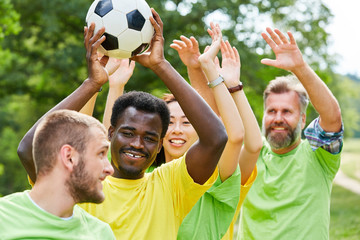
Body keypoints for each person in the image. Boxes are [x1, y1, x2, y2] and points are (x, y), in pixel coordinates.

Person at [17, 8, 227, 240]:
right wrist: (92, 83)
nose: (137, 144)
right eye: (128, 133)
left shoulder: (170, 185)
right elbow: (28, 149)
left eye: (149, 138)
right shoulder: (81, 181)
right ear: (111, 133)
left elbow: (216, 138)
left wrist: (161, 65)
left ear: (159, 146)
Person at [239, 28, 343, 240]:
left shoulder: (318, 155)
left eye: (287, 111)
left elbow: (332, 118)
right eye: (272, 111)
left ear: (303, 119)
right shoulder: (251, 153)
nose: (278, 118)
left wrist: (300, 68)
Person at [168, 23, 262, 239]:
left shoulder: (218, 177)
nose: (176, 130)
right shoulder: (154, 177)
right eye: (170, 122)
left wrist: (226, 82)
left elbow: (241, 139)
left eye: (186, 123)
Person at [1, 110, 115, 239]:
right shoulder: (3, 219)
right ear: (69, 157)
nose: (110, 169)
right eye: (101, 153)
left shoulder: (101, 234)